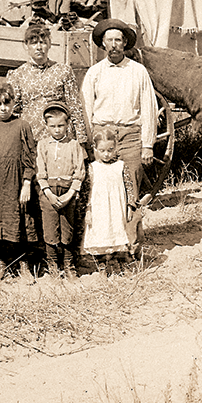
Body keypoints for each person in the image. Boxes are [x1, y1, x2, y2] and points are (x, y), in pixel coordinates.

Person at [79, 18, 157, 246]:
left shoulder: (138, 71)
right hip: (103, 137)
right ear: (103, 44)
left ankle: (132, 245)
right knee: (103, 192)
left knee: (130, 192)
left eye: (118, 40)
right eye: (109, 40)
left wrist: (147, 144)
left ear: (124, 44)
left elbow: (149, 109)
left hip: (131, 136)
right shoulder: (94, 73)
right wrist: (89, 143)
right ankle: (106, 244)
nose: (113, 45)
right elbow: (86, 109)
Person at [0, 83, 38, 281]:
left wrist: (27, 182)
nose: (3, 108)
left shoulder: (22, 125)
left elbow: (30, 155)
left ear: (14, 103)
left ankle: (24, 266)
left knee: (19, 222)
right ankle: (1, 264)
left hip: (16, 182)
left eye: (7, 103)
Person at [7, 21, 90, 146]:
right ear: (26, 45)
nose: (39, 47)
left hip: (61, 140)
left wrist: (81, 141)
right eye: (34, 43)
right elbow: (14, 111)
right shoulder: (17, 75)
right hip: (32, 140)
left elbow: (74, 107)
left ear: (50, 44)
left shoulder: (63, 71)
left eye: (43, 42)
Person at [36, 101, 87, 279]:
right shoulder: (42, 145)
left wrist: (70, 194)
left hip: (68, 193)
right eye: (53, 126)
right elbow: (40, 172)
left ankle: (69, 264)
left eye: (61, 126)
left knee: (67, 229)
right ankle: (52, 266)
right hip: (48, 193)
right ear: (46, 126)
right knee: (50, 229)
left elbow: (79, 172)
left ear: (67, 125)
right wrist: (48, 193)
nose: (57, 130)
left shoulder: (74, 145)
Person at [82, 125, 137, 269]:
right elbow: (88, 191)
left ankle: (118, 261)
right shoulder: (93, 167)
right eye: (102, 151)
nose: (106, 154)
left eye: (110, 150)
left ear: (116, 147)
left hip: (117, 207)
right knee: (101, 232)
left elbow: (129, 187)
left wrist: (130, 206)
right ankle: (101, 263)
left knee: (117, 231)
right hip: (100, 208)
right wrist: (88, 210)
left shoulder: (121, 166)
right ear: (95, 149)